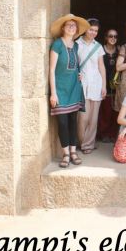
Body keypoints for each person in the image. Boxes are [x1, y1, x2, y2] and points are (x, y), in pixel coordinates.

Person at [49, 13, 90, 168]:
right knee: (62, 122)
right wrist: (53, 92)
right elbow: (52, 70)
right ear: (63, 28)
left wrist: (78, 73)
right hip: (60, 89)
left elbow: (75, 65)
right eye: (69, 25)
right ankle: (65, 153)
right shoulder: (57, 45)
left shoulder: (77, 45)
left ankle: (73, 152)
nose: (72, 28)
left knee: (73, 120)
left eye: (74, 26)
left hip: (74, 87)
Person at [77, 18, 106, 154]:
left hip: (96, 84)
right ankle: (81, 141)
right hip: (82, 84)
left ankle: (88, 145)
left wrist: (104, 86)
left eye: (96, 30)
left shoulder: (98, 46)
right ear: (85, 29)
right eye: (91, 29)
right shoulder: (77, 44)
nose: (93, 32)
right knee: (83, 116)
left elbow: (101, 66)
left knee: (93, 118)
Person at [97, 28, 119, 142]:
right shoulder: (100, 50)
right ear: (106, 37)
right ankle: (103, 134)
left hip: (116, 84)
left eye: (115, 36)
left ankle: (113, 134)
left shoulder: (119, 50)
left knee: (115, 110)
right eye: (110, 36)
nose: (113, 38)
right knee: (105, 110)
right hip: (103, 83)